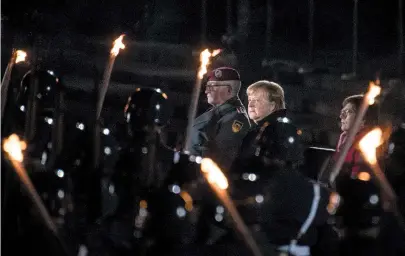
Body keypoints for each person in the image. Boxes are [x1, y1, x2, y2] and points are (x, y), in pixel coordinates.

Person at [221, 80, 331, 256]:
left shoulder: (252, 185)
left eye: (258, 100)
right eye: (251, 99)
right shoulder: (318, 193)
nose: (252, 104)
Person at [325, 94, 383, 256]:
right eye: (342, 111)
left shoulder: (367, 145)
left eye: (348, 112)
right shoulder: (344, 139)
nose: (341, 116)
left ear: (363, 120)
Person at [188, 67, 251, 171]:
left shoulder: (236, 118)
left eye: (213, 86)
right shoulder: (215, 112)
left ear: (228, 90)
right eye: (207, 86)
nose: (207, 91)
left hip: (208, 176)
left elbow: (220, 155)